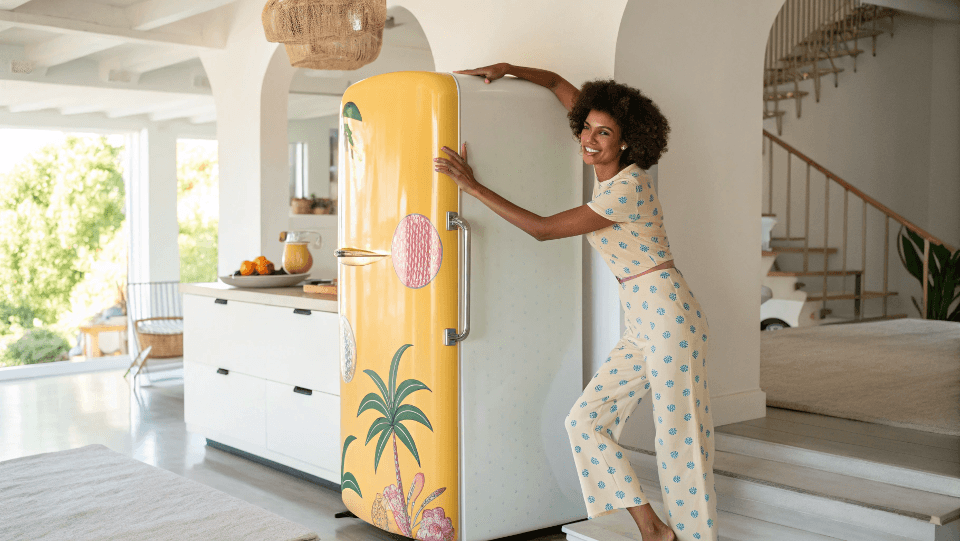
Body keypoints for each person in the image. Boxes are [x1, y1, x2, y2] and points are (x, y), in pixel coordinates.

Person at [433, 63, 717, 541]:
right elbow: (558, 86)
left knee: (679, 441)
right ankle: (653, 529)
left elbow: (544, 230)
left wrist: (473, 186)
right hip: (642, 320)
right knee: (584, 422)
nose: (588, 138)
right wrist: (509, 69)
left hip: (670, 317)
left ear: (626, 142)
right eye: (586, 126)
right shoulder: (605, 164)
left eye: (603, 132)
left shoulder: (629, 186)